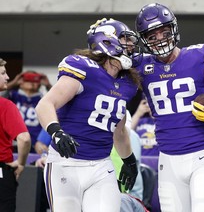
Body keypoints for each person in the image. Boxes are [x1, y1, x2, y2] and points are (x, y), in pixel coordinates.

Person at [135, 3, 204, 212]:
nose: (160, 39)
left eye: (164, 32)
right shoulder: (140, 65)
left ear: (174, 29)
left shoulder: (199, 57)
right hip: (167, 157)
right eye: (152, 36)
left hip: (202, 154)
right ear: (143, 40)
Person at [35, 29, 141, 212]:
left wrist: (129, 160)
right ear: (108, 41)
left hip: (102, 165)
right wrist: (57, 133)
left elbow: (120, 131)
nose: (130, 45)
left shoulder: (127, 83)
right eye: (125, 39)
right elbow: (45, 104)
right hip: (65, 163)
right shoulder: (83, 68)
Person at [0, 58, 31, 212]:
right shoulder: (5, 105)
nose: (7, 77)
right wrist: (21, 163)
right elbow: (24, 138)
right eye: (3, 73)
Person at [7, 70, 52, 152]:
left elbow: (59, 102)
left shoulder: (43, 98)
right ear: (21, 82)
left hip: (36, 143)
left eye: (34, 80)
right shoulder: (13, 95)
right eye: (27, 79)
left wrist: (48, 85)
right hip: (13, 142)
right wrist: (13, 83)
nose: (31, 83)